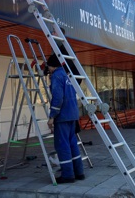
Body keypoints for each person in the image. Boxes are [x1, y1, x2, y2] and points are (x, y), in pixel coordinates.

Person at [46, 54, 85, 184]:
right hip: (72, 114)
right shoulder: (67, 75)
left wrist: (52, 116)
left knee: (62, 145)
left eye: (49, 67)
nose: (49, 70)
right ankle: (79, 172)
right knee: (72, 143)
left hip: (62, 116)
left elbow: (57, 98)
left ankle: (68, 175)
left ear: (52, 65)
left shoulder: (57, 76)